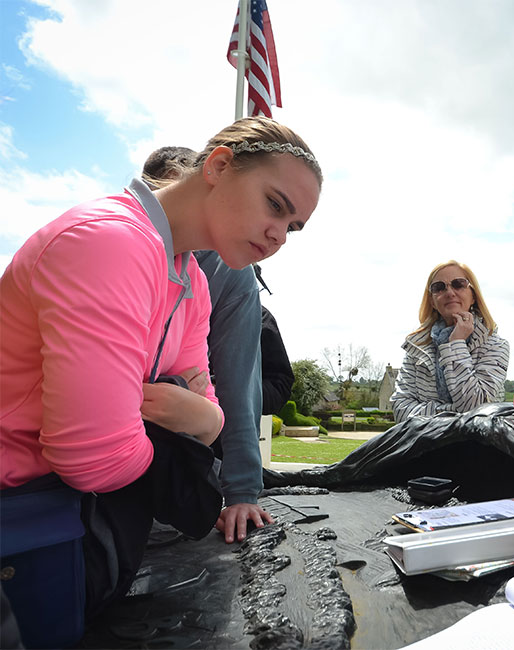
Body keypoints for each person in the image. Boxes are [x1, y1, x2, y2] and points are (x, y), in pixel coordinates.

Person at [0, 116, 322, 643]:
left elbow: (210, 415)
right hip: (23, 517)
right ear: (218, 165)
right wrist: (177, 437)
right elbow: (92, 456)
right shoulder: (110, 241)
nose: (280, 235)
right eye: (275, 205)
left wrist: (184, 417)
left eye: (294, 227)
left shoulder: (192, 279)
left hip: (73, 517)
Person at [144, 147, 279, 545]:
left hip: (166, 456)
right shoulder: (123, 243)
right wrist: (185, 394)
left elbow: (239, 381)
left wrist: (241, 492)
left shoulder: (225, 273)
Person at [391, 260, 509, 422]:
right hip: (425, 445)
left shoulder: (495, 346)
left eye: (458, 284)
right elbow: (400, 407)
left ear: (473, 296)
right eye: (439, 287)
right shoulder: (417, 347)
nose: (449, 292)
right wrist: (452, 412)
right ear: (432, 301)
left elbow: (477, 408)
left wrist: (456, 343)